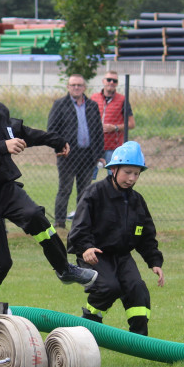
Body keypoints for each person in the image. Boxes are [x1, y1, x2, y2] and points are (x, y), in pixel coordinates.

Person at [0, 58, 96, 300]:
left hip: (4, 187)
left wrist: (53, 140)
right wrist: (2, 147)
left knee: (35, 216)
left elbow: (20, 132)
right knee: (0, 264)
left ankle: (64, 268)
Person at [68, 141, 163, 336]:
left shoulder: (137, 201)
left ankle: (139, 341)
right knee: (108, 287)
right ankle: (87, 330)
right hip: (96, 255)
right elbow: (79, 227)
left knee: (137, 289)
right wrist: (86, 248)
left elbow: (146, 235)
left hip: (122, 256)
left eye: (136, 173)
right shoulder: (94, 193)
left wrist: (154, 261)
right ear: (114, 169)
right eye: (127, 172)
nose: (132, 178)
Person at [47, 75, 104, 229]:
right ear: (68, 87)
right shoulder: (60, 105)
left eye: (79, 85)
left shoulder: (92, 105)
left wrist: (100, 155)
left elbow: (98, 131)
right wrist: (59, 148)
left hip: (88, 156)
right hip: (67, 155)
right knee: (65, 189)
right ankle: (59, 223)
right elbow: (52, 130)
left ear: (84, 87)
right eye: (73, 85)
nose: (76, 88)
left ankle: (81, 222)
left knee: (85, 191)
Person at [90, 70, 134, 177]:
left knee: (114, 178)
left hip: (114, 147)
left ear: (117, 83)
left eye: (114, 81)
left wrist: (115, 128)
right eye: (109, 80)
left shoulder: (122, 100)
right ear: (103, 81)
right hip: (94, 146)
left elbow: (131, 124)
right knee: (88, 177)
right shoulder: (94, 98)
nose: (111, 83)